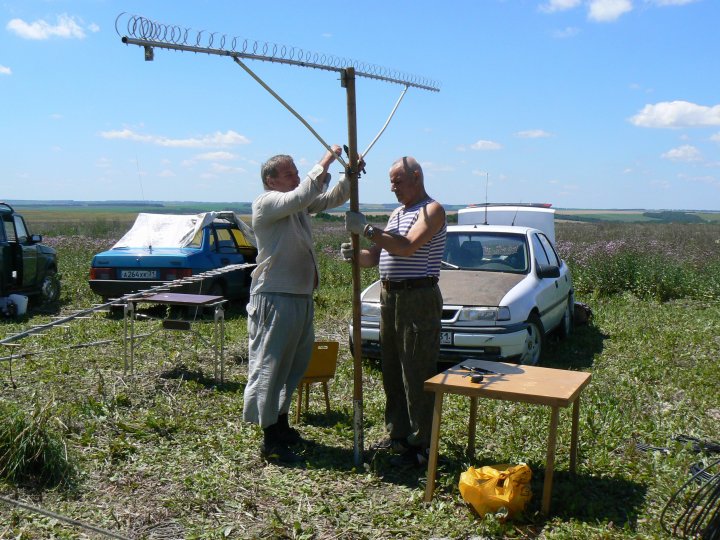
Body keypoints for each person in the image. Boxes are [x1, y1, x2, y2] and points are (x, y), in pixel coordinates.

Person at [243, 145, 350, 464]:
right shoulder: (268, 203)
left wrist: (348, 174)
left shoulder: (296, 204)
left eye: (296, 171)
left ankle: (282, 422)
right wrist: (326, 160)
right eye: (289, 173)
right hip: (275, 295)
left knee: (293, 365)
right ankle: (270, 437)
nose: (297, 176)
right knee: (270, 364)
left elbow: (330, 199)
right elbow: (301, 196)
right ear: (271, 180)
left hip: (299, 295)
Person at [343, 156, 446, 467]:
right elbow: (374, 258)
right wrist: (354, 254)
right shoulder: (398, 213)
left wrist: (368, 229)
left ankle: (422, 443)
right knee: (391, 367)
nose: (393, 188)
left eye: (397, 181)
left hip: (418, 297)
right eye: (391, 182)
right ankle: (398, 434)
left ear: (416, 177)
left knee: (417, 370)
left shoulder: (432, 210)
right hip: (390, 297)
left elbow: (406, 247)